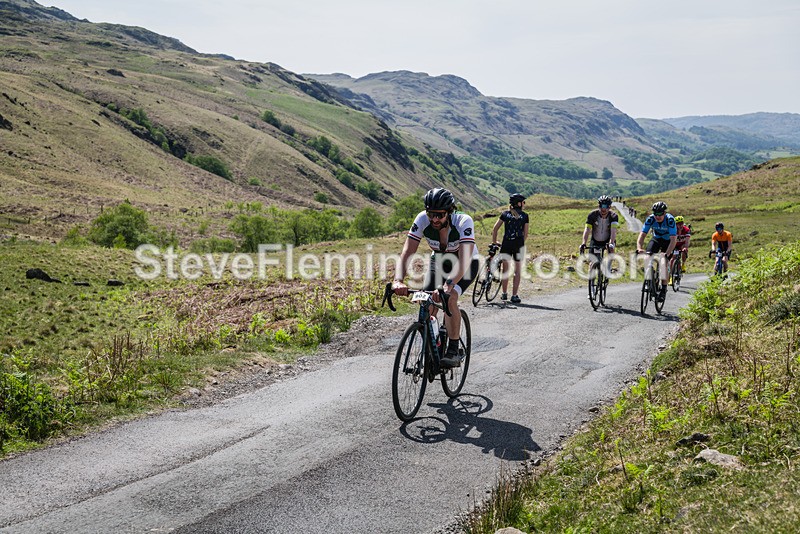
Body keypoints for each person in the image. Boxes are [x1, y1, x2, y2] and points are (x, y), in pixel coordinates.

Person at [392, 188, 478, 367]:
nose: (435, 219)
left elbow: (464, 261)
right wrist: (398, 280)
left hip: (466, 263)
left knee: (450, 297)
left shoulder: (464, 221)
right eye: (431, 214)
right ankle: (434, 343)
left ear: (450, 212)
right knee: (428, 302)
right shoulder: (422, 219)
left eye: (440, 215)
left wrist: (448, 286)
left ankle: (453, 349)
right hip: (439, 261)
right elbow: (407, 252)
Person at [636, 201, 677, 303]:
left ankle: (663, 290)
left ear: (664, 213)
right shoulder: (650, 219)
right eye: (656, 214)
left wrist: (667, 253)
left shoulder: (670, 220)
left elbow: (673, 240)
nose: (657, 216)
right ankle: (650, 277)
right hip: (657, 239)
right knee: (647, 257)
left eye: (660, 214)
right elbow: (642, 235)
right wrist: (639, 248)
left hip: (668, 242)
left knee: (663, 263)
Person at [491, 193, 529, 304]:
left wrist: (494, 241)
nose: (524, 204)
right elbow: (526, 234)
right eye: (523, 202)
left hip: (506, 243)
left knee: (505, 270)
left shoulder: (505, 214)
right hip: (518, 244)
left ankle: (504, 294)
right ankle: (514, 295)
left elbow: (495, 229)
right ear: (519, 203)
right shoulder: (525, 216)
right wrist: (520, 242)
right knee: (517, 271)